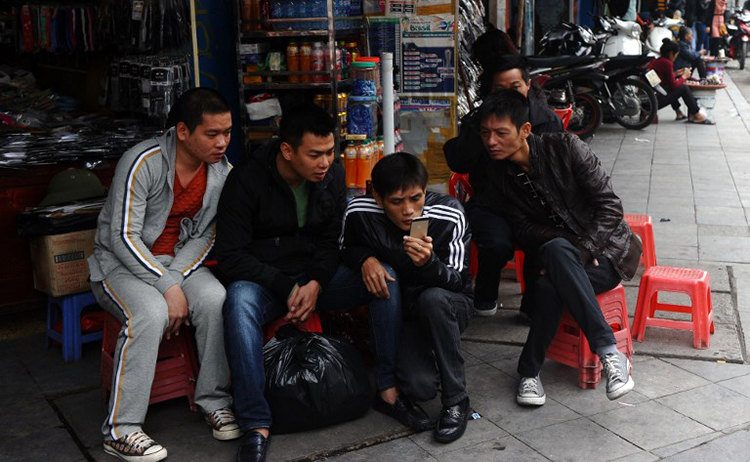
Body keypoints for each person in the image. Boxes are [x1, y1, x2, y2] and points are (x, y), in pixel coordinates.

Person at [217, 104, 418, 462]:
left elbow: (330, 242)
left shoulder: (334, 176)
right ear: (287, 151)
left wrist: (316, 283)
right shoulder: (246, 180)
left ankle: (387, 389)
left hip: (315, 278)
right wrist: (285, 286)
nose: (325, 163)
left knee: (385, 279)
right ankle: (255, 422)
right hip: (265, 281)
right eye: (315, 155)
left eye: (329, 153)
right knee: (237, 303)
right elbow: (231, 255)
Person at [88, 88, 237, 462]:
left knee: (216, 299)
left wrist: (172, 277)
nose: (222, 142)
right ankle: (121, 431)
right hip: (118, 264)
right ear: (183, 131)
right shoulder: (143, 161)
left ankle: (213, 401)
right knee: (151, 312)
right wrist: (168, 286)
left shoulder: (222, 173)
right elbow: (121, 236)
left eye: (228, 132)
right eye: (212, 134)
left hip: (175, 263)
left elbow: (206, 234)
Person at [476, 89, 642, 406]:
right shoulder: (500, 176)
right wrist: (569, 250)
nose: (491, 141)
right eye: (486, 133)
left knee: (550, 279)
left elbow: (609, 208)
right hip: (567, 257)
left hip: (608, 254)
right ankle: (610, 353)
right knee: (553, 261)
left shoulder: (566, 147)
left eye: (500, 133)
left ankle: (529, 374)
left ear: (525, 130)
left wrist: (583, 250)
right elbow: (522, 228)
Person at [340, 152, 473, 443]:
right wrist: (365, 259)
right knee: (420, 388)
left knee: (434, 299)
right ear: (378, 197)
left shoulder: (449, 213)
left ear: (426, 190)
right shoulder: (360, 212)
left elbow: (458, 281)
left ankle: (457, 400)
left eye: (416, 198)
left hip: (449, 303)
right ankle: (423, 358)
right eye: (397, 202)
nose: (409, 211)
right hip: (406, 313)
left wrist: (429, 264)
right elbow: (344, 248)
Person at [444, 55, 564, 317]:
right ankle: (485, 295)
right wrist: (483, 128)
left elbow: (562, 171)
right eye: (501, 89)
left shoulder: (547, 121)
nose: (510, 94)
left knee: (542, 241)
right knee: (495, 243)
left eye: (516, 86)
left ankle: (533, 306)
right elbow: (459, 161)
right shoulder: (481, 122)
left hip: (535, 205)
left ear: (528, 84)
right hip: (490, 204)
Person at [648, 39, 713, 123]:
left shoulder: (659, 60)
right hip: (653, 100)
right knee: (683, 88)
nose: (676, 57)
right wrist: (683, 77)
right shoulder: (667, 63)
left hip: (653, 95)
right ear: (671, 54)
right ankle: (696, 114)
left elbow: (665, 80)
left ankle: (679, 113)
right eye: (676, 55)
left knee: (676, 86)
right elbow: (673, 85)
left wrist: (675, 74)